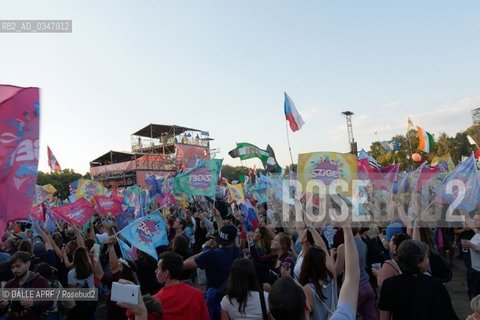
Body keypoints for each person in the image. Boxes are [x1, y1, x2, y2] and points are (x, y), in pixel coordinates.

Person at [378, 240, 458, 320]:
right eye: (426, 257)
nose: (428, 260)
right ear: (418, 262)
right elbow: (448, 315)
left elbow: (384, 317)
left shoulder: (389, 284)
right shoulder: (435, 285)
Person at [184, 225, 243, 320]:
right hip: (236, 299)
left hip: (217, 301)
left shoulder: (212, 254)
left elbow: (185, 264)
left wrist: (205, 250)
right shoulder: (239, 253)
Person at [134, 251, 209, 320]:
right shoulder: (197, 294)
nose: (156, 271)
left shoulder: (157, 300)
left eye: (158, 268)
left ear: (166, 273)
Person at [0, 251, 53, 320]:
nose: (15, 270)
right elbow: (3, 312)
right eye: (12, 267)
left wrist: (34, 302)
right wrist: (2, 306)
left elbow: (50, 302)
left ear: (28, 264)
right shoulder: (9, 285)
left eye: (18, 266)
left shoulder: (40, 281)